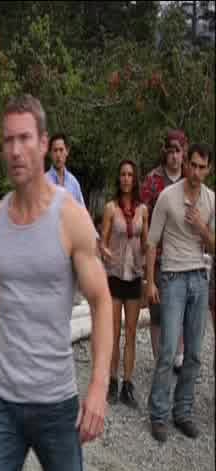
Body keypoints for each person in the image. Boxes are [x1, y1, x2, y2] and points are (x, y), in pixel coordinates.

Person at [0, 95, 112, 471]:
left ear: (45, 144)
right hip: (4, 408)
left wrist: (98, 388)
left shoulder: (70, 218)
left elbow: (102, 302)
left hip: (56, 408)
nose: (15, 150)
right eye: (7, 140)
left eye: (24, 138)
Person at [146, 143, 215, 443]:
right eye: (193, 165)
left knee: (195, 353)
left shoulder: (211, 199)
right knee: (169, 349)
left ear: (209, 169)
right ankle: (159, 414)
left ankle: (183, 411)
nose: (196, 172)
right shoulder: (167, 196)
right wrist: (150, 282)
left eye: (202, 167)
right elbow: (151, 242)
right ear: (186, 164)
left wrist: (201, 227)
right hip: (172, 276)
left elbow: (214, 245)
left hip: (199, 277)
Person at [101, 160, 149, 408]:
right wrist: (105, 251)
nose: (126, 178)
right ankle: (112, 380)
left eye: (130, 174)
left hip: (134, 276)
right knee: (113, 332)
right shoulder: (110, 208)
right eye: (123, 174)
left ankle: (127, 385)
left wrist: (148, 277)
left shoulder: (143, 210)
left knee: (131, 332)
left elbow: (147, 243)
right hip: (114, 275)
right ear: (118, 178)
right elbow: (103, 240)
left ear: (135, 178)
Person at [141, 130, 188, 368]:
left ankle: (179, 356)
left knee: (181, 308)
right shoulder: (153, 180)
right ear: (165, 152)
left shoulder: (190, 178)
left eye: (178, 151)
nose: (174, 156)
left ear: (184, 152)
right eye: (170, 151)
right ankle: (159, 357)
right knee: (158, 310)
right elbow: (143, 216)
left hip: (185, 254)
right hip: (158, 255)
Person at [46, 132, 86, 207]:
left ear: (67, 151)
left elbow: (82, 209)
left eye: (61, 150)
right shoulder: (43, 182)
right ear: (50, 153)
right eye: (55, 150)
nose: (58, 155)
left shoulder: (73, 183)